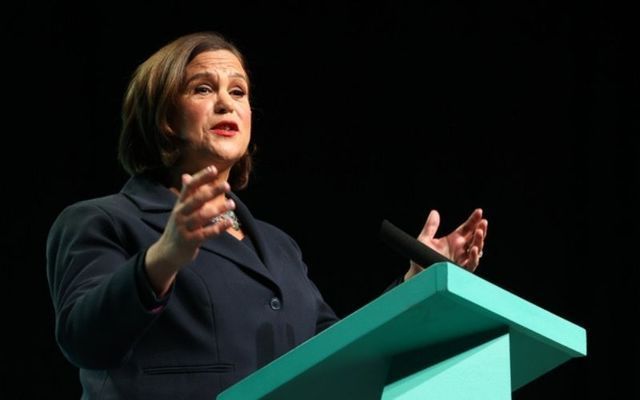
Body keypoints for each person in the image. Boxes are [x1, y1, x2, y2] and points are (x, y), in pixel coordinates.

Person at [46, 31, 488, 399]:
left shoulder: (279, 247)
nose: (226, 103)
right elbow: (85, 339)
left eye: (237, 92)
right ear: (163, 117)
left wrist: (414, 284)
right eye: (203, 88)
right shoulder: (102, 220)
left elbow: (334, 352)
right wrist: (166, 255)